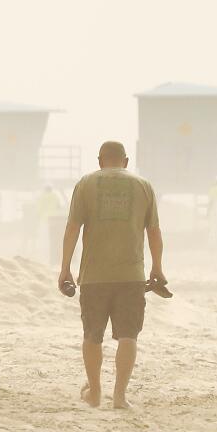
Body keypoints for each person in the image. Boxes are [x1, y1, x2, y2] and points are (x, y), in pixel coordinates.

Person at [60, 141, 163, 411]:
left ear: (99, 160)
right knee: (128, 335)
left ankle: (94, 393)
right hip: (131, 275)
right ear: (125, 161)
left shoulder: (85, 184)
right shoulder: (143, 185)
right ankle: (119, 396)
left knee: (92, 335)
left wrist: (65, 267)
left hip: (94, 275)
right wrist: (157, 267)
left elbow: (72, 228)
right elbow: (154, 231)